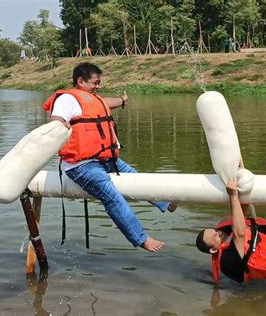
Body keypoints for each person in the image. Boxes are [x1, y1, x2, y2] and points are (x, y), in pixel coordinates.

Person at [43, 62, 177, 252]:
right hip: (81, 166)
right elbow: (57, 118)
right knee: (112, 197)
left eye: (99, 83)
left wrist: (122, 101)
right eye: (95, 83)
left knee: (137, 177)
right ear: (80, 81)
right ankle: (141, 239)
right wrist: (59, 124)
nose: (98, 86)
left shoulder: (91, 99)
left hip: (105, 159)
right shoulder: (67, 100)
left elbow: (106, 102)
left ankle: (165, 203)